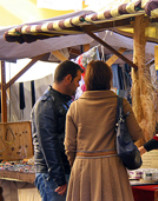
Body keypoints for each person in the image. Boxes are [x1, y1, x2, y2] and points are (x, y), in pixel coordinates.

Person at [64, 60, 143, 201]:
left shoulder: (75, 107)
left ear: (87, 79)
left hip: (83, 168)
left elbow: (69, 146)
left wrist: (75, 165)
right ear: (109, 79)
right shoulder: (120, 103)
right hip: (112, 167)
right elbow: (136, 134)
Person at [31, 60, 83, 201]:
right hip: (52, 176)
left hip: (65, 172)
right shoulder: (46, 104)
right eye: (77, 80)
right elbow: (48, 143)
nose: (78, 85)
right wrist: (59, 178)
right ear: (68, 78)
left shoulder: (66, 102)